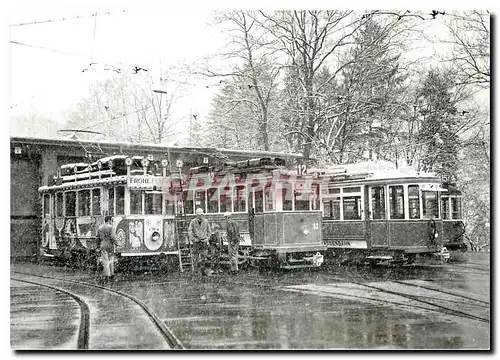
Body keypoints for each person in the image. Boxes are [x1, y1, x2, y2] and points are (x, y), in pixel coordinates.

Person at [188, 208, 213, 276]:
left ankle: (203, 271)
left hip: (203, 242)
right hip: (196, 242)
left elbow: (209, 231)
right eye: (199, 215)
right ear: (196, 215)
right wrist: (193, 239)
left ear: (203, 215)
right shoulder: (193, 222)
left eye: (201, 215)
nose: (200, 216)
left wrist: (207, 239)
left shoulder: (206, 222)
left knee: (204, 256)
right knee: (195, 257)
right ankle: (196, 271)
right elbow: (190, 231)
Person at [96, 216, 118, 282]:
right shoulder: (111, 227)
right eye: (111, 220)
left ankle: (107, 275)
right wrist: (116, 243)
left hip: (103, 244)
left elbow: (97, 238)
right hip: (110, 245)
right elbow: (113, 237)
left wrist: (98, 246)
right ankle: (112, 275)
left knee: (105, 261)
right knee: (111, 260)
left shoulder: (100, 228)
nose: (111, 222)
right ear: (109, 220)